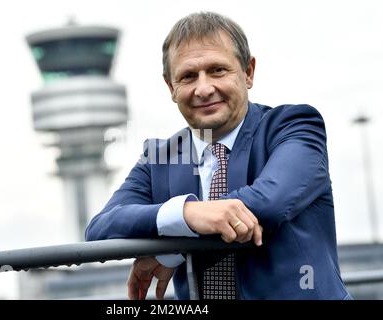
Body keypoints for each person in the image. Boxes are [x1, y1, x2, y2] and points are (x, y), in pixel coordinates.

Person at [85, 11, 351, 300]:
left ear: (248, 72)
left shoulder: (294, 126)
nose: (203, 88)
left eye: (218, 70)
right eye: (188, 76)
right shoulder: (158, 158)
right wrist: (187, 213)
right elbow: (102, 227)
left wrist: (171, 250)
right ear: (171, 87)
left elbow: (268, 203)